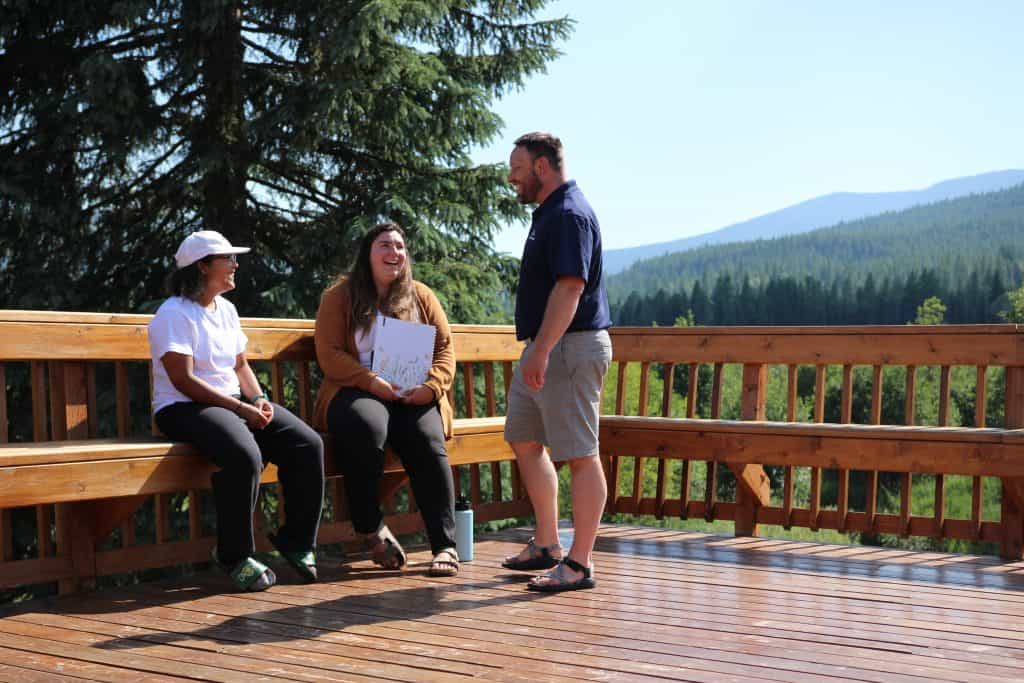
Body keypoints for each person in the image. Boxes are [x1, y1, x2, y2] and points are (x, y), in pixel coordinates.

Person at [148, 230, 325, 592]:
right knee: (246, 454)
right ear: (202, 266)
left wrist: (258, 398)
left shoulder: (226, 310)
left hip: (232, 403)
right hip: (183, 408)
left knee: (307, 444)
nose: (235, 264)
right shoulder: (173, 314)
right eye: (228, 258)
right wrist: (242, 409)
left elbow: (240, 366)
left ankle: (296, 540)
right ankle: (235, 555)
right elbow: (183, 380)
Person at [313, 223, 460, 577]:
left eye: (399, 246)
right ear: (368, 253)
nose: (394, 252)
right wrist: (371, 381)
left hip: (412, 391)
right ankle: (370, 525)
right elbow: (329, 352)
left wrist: (430, 388)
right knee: (366, 424)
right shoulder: (340, 297)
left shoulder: (420, 296)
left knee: (426, 437)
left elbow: (444, 349)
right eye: (384, 245)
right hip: (357, 388)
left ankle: (444, 545)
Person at [501, 132, 613, 592]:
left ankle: (579, 563)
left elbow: (570, 287)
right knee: (525, 439)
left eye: (518, 169)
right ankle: (547, 543)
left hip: (568, 346)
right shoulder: (548, 213)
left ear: (542, 168)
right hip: (546, 347)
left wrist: (542, 349)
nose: (512, 178)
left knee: (581, 455)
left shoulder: (568, 215)